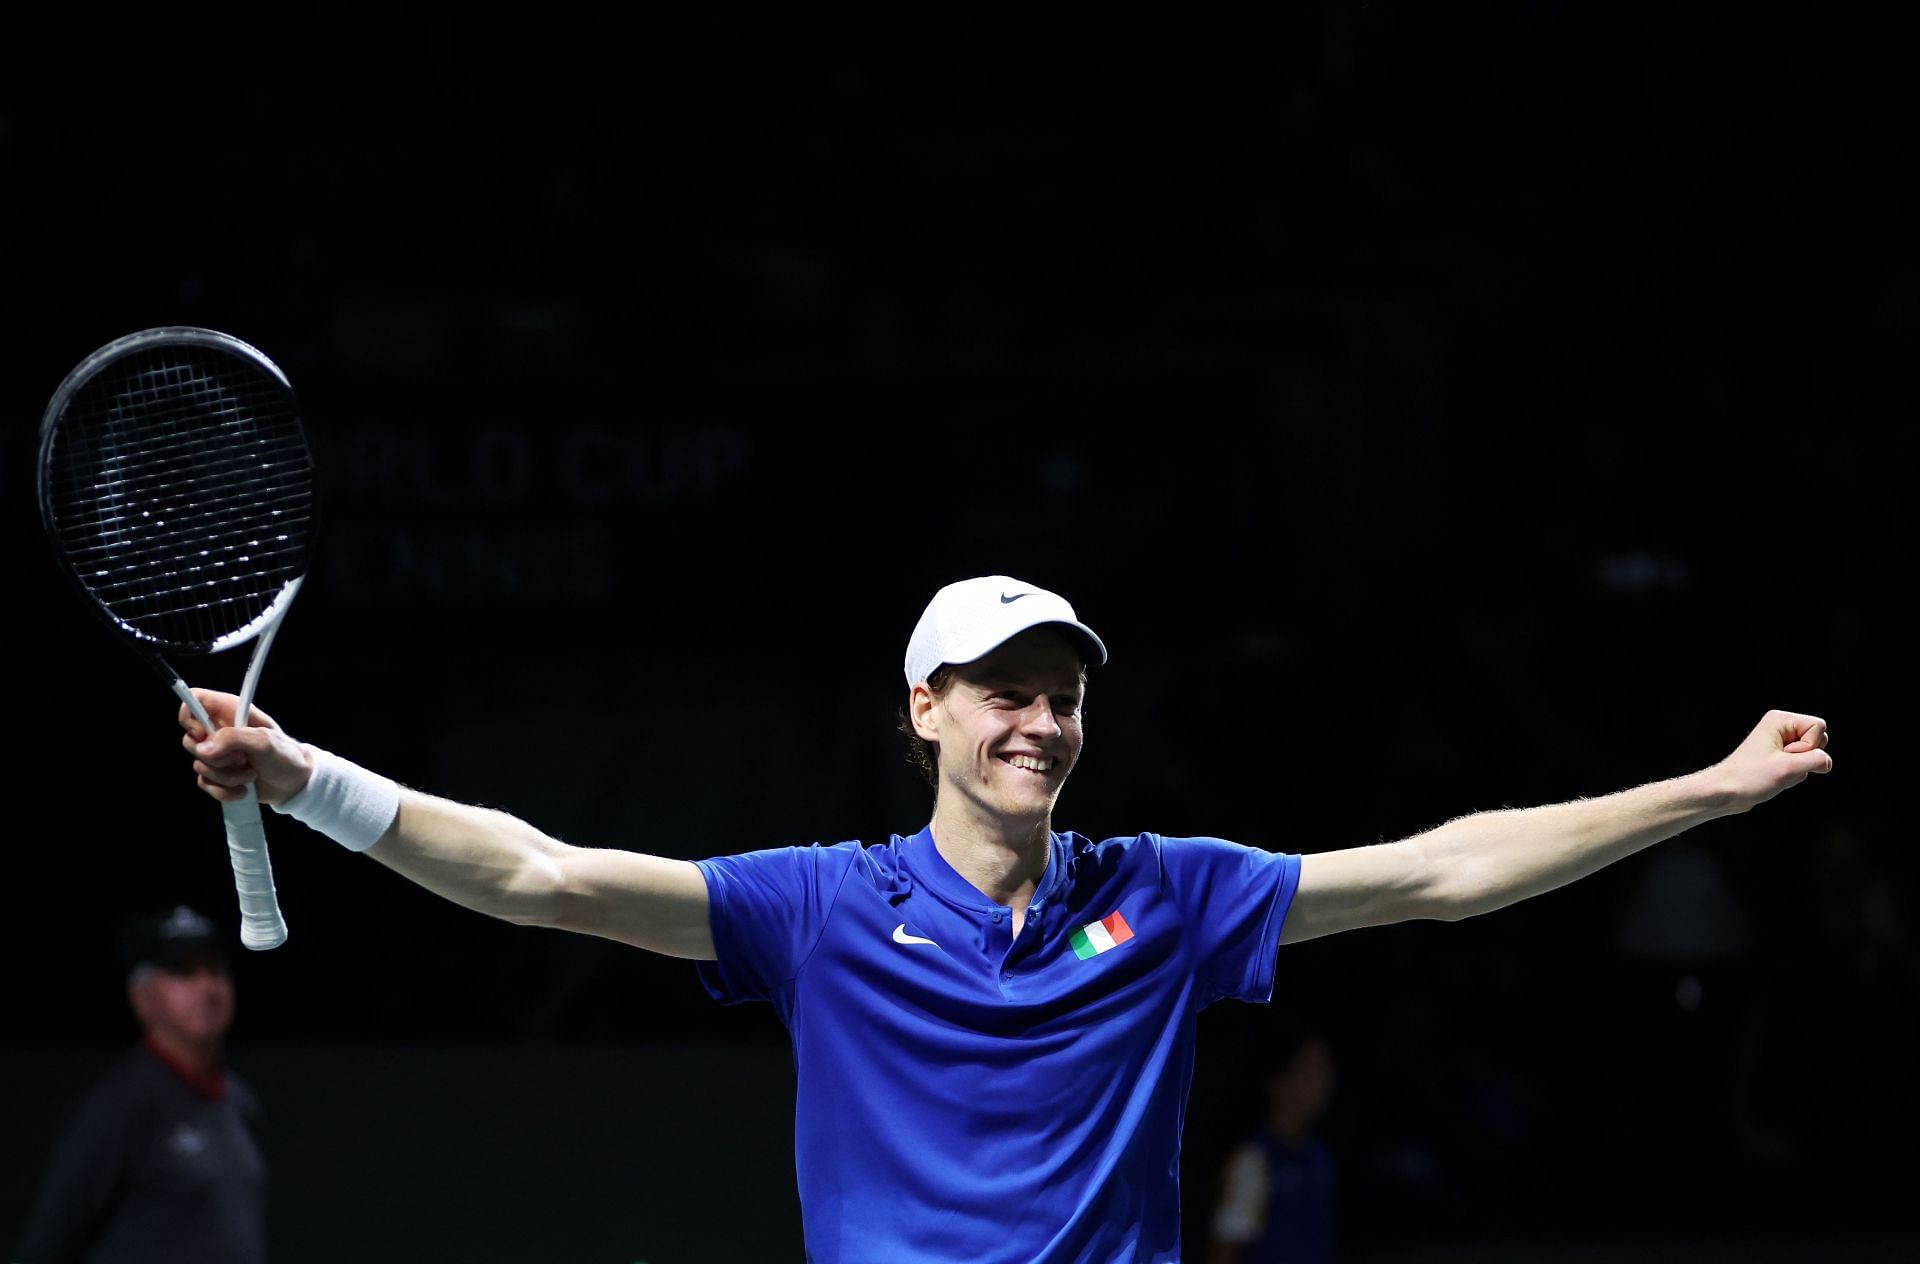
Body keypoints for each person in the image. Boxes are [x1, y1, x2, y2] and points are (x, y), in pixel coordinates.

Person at [174, 574, 1832, 1264]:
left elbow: (1445, 867)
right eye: (1003, 693)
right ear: (924, 708)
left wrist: (1704, 788)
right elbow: (531, 870)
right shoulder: (816, 906)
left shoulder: (1168, 893)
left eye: (1063, 695)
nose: (1041, 719)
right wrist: (305, 771)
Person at [13, 905, 268, 1264]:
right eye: (184, 970)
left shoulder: (239, 1102)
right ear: (143, 997)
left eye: (215, 968)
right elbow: (49, 1242)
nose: (207, 986)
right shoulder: (121, 1106)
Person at [1207, 1027, 1337, 1264]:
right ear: (1278, 1081)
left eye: (1325, 1069)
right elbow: (1224, 1253)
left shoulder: (1320, 1156)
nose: (1323, 1082)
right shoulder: (1254, 1160)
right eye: (1310, 1069)